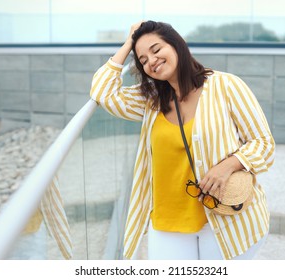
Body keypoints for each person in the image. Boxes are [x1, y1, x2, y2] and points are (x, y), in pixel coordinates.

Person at [90, 20, 275, 260]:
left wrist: (227, 166)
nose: (151, 61)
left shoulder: (226, 85)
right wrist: (129, 43)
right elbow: (102, 92)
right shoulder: (150, 100)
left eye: (156, 50)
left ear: (177, 45)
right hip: (167, 221)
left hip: (223, 216)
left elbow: (264, 143)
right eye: (143, 60)